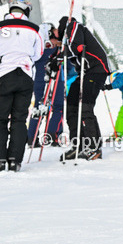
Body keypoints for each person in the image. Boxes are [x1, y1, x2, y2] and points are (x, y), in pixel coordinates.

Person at [0, 0, 43, 172]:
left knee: (0, 119)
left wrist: (3, 55)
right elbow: (37, 54)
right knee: (19, 119)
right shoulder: (35, 29)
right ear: (26, 10)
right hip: (25, 76)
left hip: (5, 75)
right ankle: (15, 160)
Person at [49, 16, 111, 161]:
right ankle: (79, 145)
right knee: (71, 105)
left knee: (85, 108)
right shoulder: (66, 39)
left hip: (96, 70)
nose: (55, 32)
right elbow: (66, 51)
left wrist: (59, 58)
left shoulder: (74, 26)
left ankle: (93, 147)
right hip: (84, 73)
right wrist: (53, 61)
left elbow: (76, 47)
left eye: (56, 30)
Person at [27, 23, 74, 147]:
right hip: (56, 78)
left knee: (38, 107)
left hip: (38, 79)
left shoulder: (36, 49)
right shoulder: (56, 48)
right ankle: (53, 136)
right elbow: (68, 64)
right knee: (58, 107)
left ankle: (31, 138)